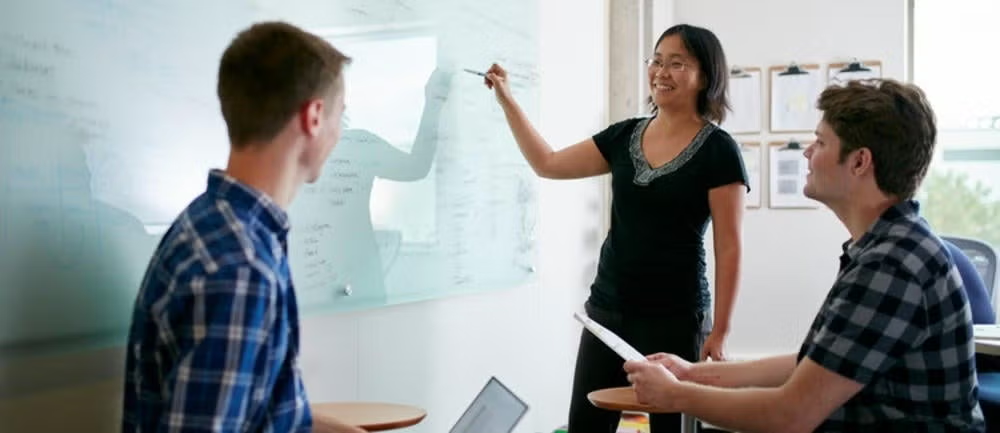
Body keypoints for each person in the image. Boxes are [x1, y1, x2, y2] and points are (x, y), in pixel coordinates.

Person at [624, 79, 986, 432]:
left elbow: (790, 416)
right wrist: (690, 373)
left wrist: (675, 395)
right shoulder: (885, 246)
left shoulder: (892, 264)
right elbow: (813, 365)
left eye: (820, 141)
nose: (807, 152)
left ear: (860, 162)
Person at [482, 23, 747, 432]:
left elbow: (729, 248)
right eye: (656, 60)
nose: (661, 71)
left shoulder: (719, 150)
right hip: (607, 313)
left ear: (705, 77)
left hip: (676, 319)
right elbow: (547, 163)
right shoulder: (624, 136)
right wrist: (507, 100)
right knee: (587, 425)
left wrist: (720, 333)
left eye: (677, 63)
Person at [121, 22, 364, 433]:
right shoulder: (241, 267)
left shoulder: (218, 225)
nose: (341, 132)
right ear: (315, 117)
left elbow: (254, 414)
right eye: (342, 115)